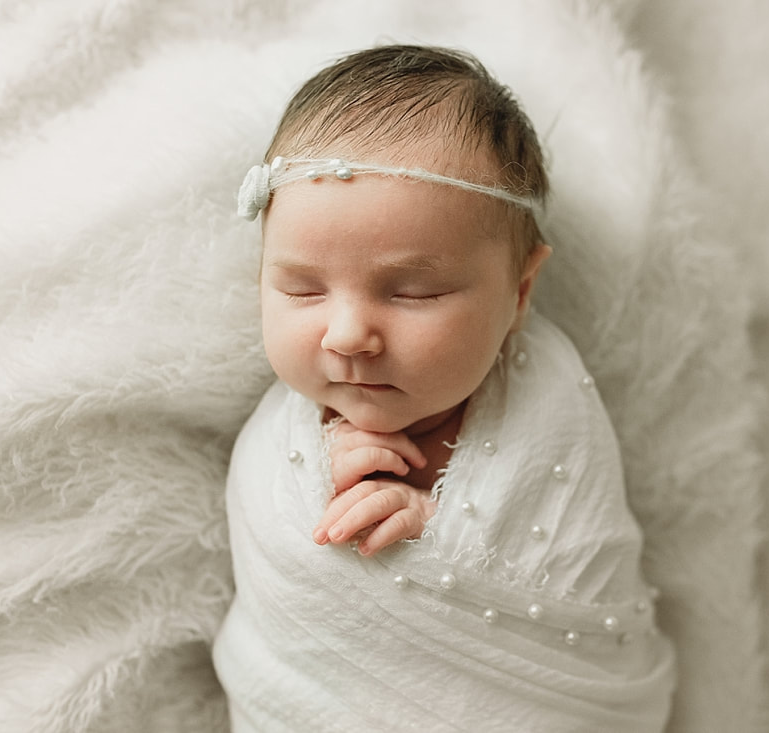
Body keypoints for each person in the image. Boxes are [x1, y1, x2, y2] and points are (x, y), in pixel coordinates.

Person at [214, 44, 675, 732]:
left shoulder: (549, 409)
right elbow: (284, 564)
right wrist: (321, 491)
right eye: (301, 288)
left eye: (412, 291)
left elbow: (576, 563)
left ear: (520, 291)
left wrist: (438, 532)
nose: (347, 334)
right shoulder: (280, 437)